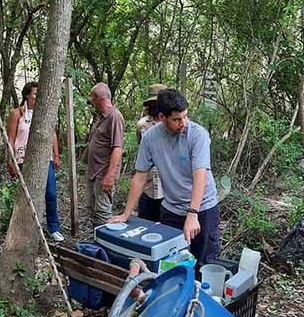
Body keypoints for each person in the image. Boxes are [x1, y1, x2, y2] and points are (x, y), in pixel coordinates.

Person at [111, 89, 220, 265]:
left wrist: (192, 214)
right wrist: (126, 213)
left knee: (203, 263)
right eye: (177, 119)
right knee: (170, 263)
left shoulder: (198, 135)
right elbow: (140, 177)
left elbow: (200, 177)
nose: (183, 123)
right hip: (172, 210)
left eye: (185, 116)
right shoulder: (150, 138)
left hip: (203, 209)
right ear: (162, 117)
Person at [6, 81, 63, 242]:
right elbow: (10, 137)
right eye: (35, 94)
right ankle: (27, 230)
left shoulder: (45, 112)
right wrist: (10, 160)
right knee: (28, 196)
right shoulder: (18, 113)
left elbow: (52, 135)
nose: (38, 97)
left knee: (50, 193)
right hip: (23, 158)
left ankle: (54, 228)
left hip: (46, 159)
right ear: (27, 95)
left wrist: (56, 155)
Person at [86, 82, 125, 226]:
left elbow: (117, 148)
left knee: (102, 212)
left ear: (98, 98)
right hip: (94, 172)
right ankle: (96, 243)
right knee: (92, 209)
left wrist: (110, 176)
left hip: (104, 173)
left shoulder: (115, 117)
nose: (92, 103)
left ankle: (105, 245)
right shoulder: (101, 117)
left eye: (92, 99)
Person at [135, 83, 167, 221]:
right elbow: (142, 150)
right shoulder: (142, 124)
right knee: (145, 223)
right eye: (153, 103)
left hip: (168, 187)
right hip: (147, 186)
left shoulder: (171, 124)